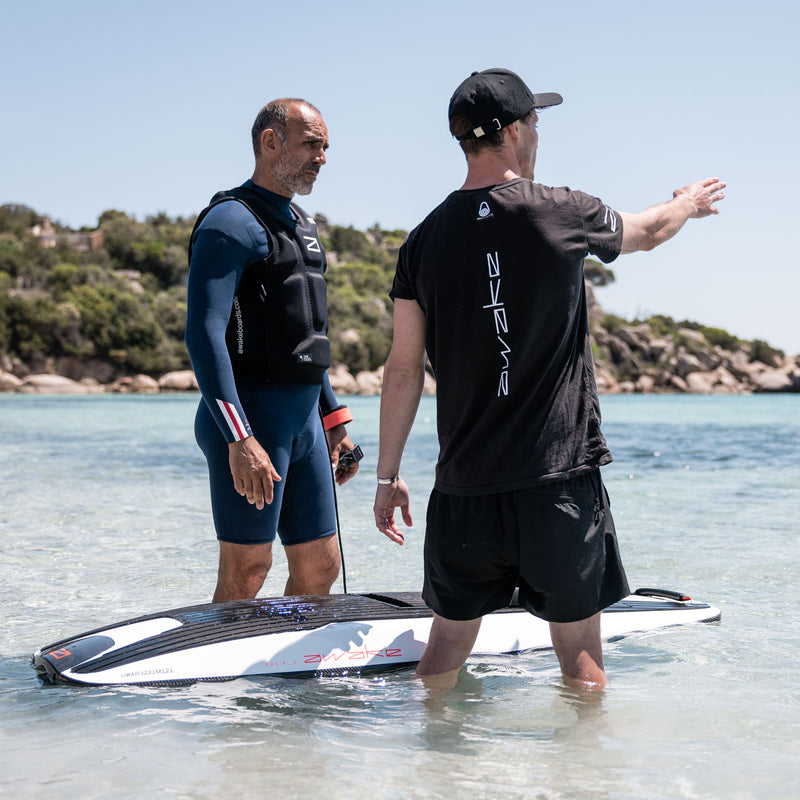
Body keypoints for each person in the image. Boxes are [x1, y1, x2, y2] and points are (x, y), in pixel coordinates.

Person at [373, 68, 725, 691]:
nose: (538, 133)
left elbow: (403, 369)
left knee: (445, 649)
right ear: (512, 131)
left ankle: (427, 780)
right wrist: (687, 205)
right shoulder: (563, 211)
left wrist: (386, 475)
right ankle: (583, 784)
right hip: (556, 482)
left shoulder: (422, 241)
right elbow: (647, 231)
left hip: (464, 489)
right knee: (581, 664)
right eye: (534, 121)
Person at [186, 98, 360, 603]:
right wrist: (239, 438)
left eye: (325, 147)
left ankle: (288, 678)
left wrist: (335, 425)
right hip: (250, 416)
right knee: (248, 571)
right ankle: (222, 679)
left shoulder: (302, 225)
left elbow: (306, 340)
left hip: (303, 419)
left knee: (321, 566)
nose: (321, 157)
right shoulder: (229, 222)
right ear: (270, 143)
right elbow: (203, 336)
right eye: (311, 144)